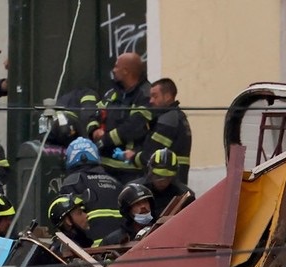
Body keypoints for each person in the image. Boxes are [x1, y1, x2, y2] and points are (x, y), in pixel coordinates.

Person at [87, 53, 152, 182]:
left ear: (126, 71)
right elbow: (95, 113)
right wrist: (94, 130)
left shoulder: (146, 95)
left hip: (131, 170)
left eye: (117, 67)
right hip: (104, 167)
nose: (113, 70)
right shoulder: (112, 93)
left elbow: (134, 128)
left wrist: (105, 139)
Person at [126, 78, 192, 184]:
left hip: (166, 180)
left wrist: (133, 156)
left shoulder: (168, 120)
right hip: (174, 180)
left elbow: (152, 154)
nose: (151, 101)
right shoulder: (176, 116)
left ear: (167, 96)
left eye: (155, 96)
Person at [59, 137, 122, 240]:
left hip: (91, 246)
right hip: (121, 243)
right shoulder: (115, 182)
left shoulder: (71, 182)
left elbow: (68, 220)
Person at [143, 148, 195, 220]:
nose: (162, 181)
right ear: (150, 173)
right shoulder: (136, 191)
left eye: (168, 177)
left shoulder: (184, 195)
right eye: (158, 176)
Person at [102, 181, 155, 245]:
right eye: (137, 204)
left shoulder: (161, 230)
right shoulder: (113, 240)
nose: (143, 206)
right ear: (128, 211)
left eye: (145, 201)